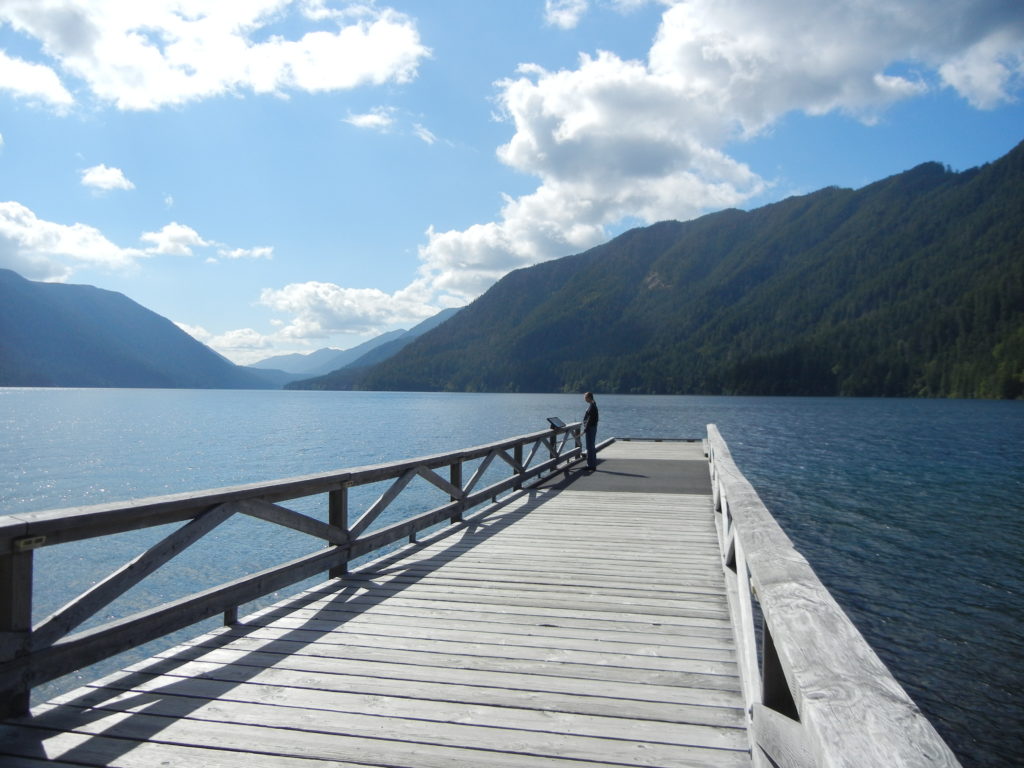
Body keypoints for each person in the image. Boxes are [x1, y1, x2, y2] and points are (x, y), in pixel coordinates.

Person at [582, 391, 599, 472]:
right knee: (591, 446)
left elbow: (589, 420)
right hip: (592, 428)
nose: (584, 399)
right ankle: (593, 464)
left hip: (590, 428)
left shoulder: (592, 406)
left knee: (590, 447)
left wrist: (585, 429)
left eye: (585, 397)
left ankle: (590, 465)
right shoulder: (593, 404)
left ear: (589, 397)